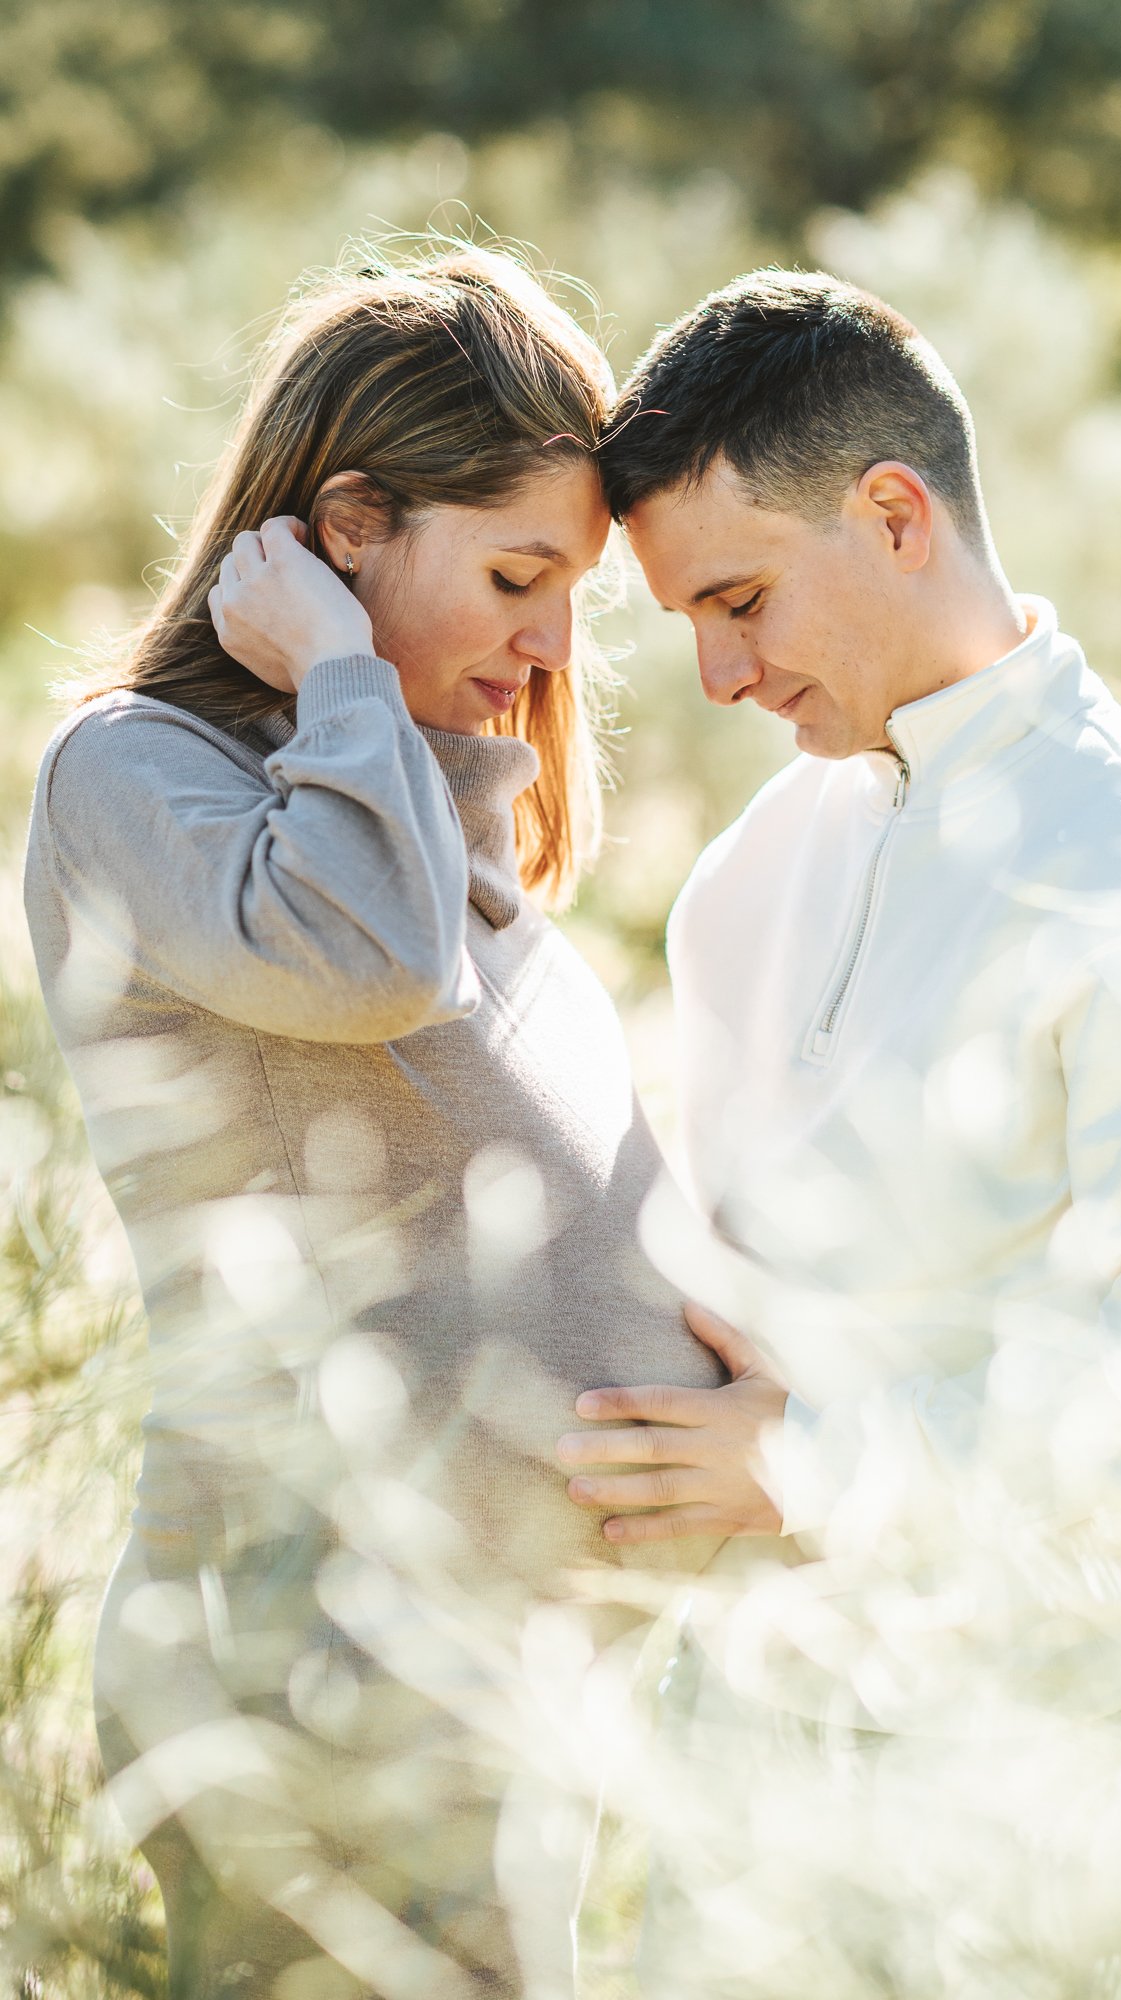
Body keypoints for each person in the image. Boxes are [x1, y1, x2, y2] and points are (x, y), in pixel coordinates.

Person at [569, 270, 1121, 1996]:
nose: (717, 672)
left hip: (1029, 1821)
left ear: (896, 513)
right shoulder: (745, 879)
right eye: (691, 617)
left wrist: (813, 1464)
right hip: (736, 1776)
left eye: (743, 599)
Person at [23, 246, 736, 2000]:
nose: (553, 645)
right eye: (515, 575)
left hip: (488, 1691)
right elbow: (366, 965)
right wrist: (342, 677)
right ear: (347, 524)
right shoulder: (136, 777)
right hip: (308, 1686)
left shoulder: (434, 830)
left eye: (575, 594)